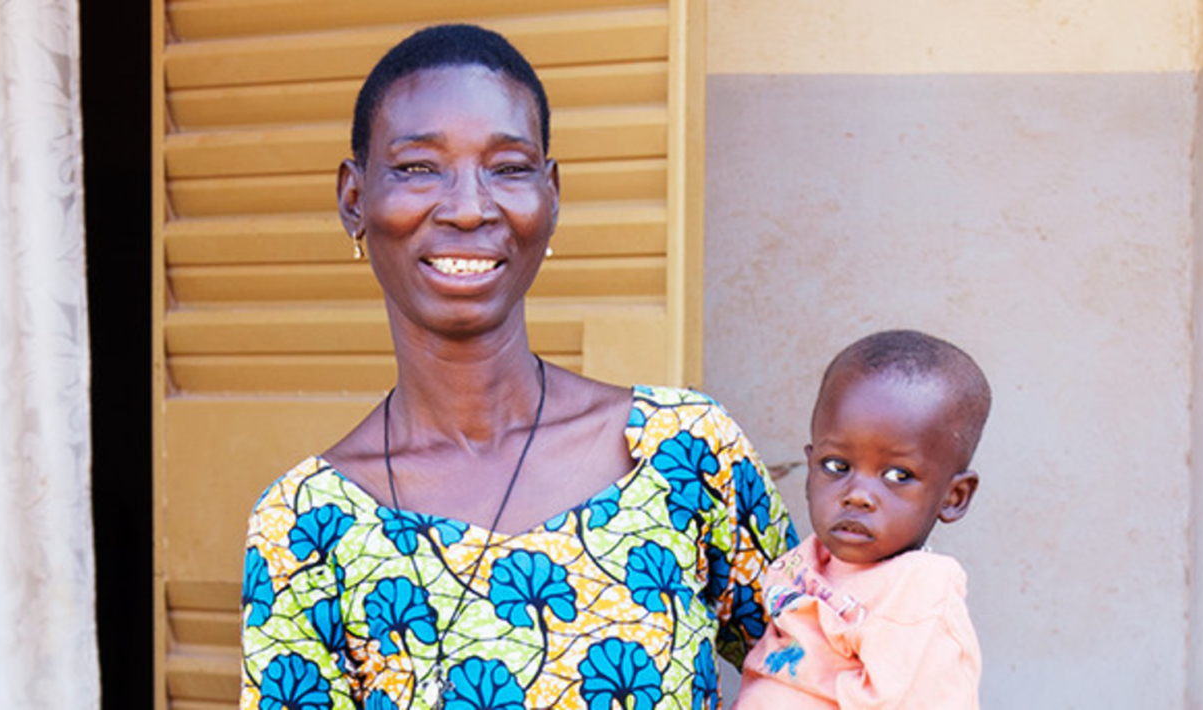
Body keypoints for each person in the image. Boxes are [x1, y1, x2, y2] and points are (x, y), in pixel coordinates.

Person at [240, 24, 795, 710]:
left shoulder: (682, 450)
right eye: (418, 167)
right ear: (355, 199)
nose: (470, 208)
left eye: (507, 167)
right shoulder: (308, 525)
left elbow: (831, 666)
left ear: (551, 196)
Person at [734, 330, 991, 709]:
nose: (857, 494)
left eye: (898, 476)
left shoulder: (918, 591)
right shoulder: (809, 561)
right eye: (836, 466)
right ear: (810, 466)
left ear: (954, 497)